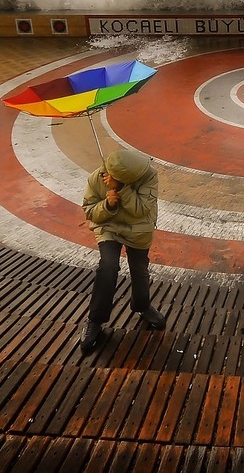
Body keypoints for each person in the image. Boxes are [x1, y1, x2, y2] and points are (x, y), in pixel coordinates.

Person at [80, 147, 166, 353]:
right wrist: (108, 205)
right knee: (108, 266)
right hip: (109, 226)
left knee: (139, 269)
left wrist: (122, 189)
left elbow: (142, 210)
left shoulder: (148, 175)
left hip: (138, 228)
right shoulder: (97, 178)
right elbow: (89, 211)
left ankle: (142, 305)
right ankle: (95, 319)